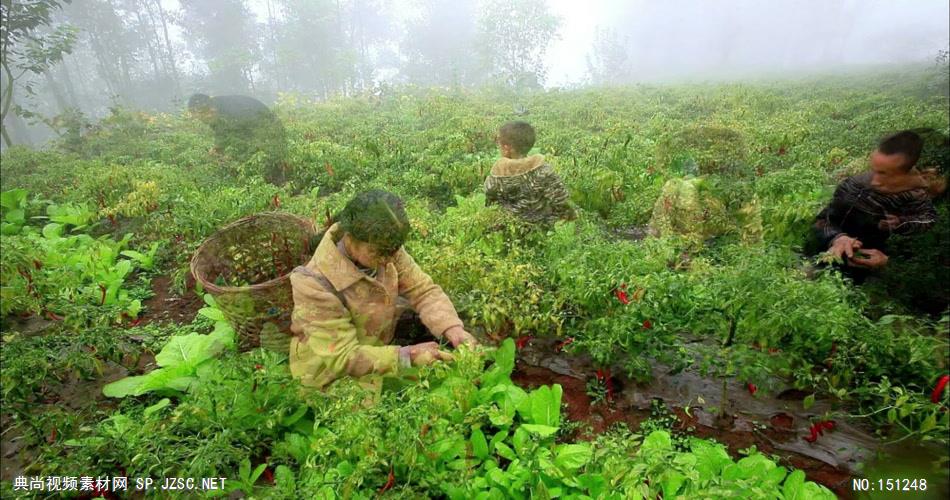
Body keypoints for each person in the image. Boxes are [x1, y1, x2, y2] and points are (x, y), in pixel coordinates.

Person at [288, 190, 477, 389]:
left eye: (392, 252)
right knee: (394, 404)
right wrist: (407, 356)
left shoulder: (385, 247)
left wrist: (453, 329)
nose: (387, 260)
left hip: (377, 344)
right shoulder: (312, 283)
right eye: (378, 253)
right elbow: (343, 357)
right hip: (331, 372)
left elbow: (423, 290)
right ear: (350, 237)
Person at [809, 130, 938, 280]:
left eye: (885, 174)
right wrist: (837, 238)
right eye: (874, 170)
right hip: (826, 252)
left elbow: (927, 225)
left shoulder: (917, 197)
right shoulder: (853, 185)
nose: (874, 181)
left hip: (867, 269)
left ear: (907, 172)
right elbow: (823, 220)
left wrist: (901, 225)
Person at [484, 121, 576, 224]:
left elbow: (490, 200)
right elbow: (561, 199)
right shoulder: (543, 170)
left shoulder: (498, 174)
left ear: (506, 148)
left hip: (509, 226)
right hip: (543, 227)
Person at [187, 93, 290, 185]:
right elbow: (221, 132)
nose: (206, 116)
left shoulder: (233, 110)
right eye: (199, 115)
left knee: (269, 167)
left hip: (267, 130)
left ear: (210, 107)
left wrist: (232, 154)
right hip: (251, 132)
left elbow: (244, 136)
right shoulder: (214, 113)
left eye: (205, 112)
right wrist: (217, 148)